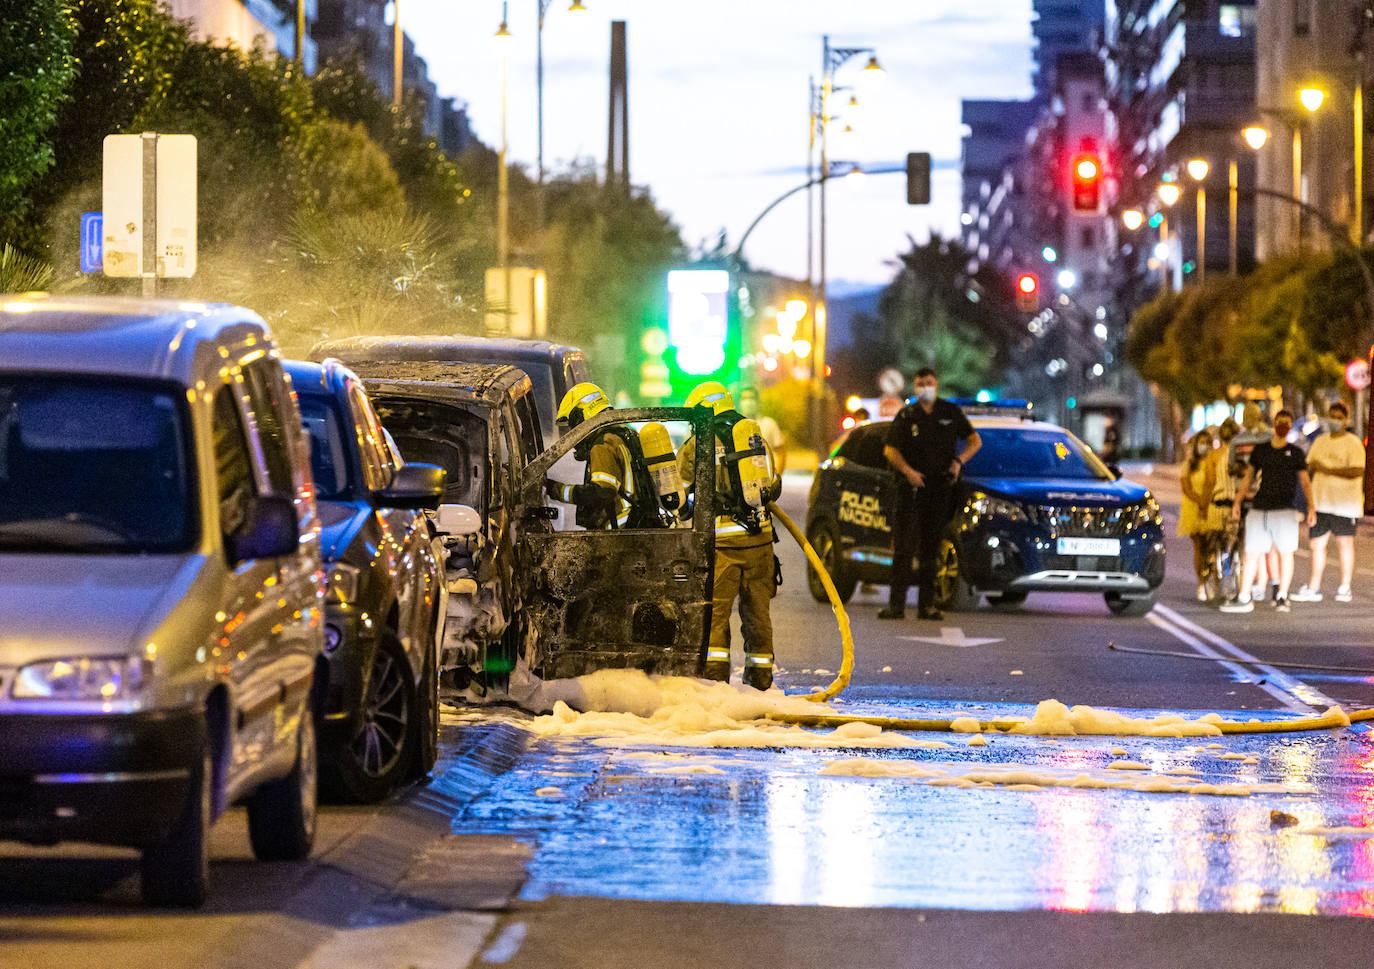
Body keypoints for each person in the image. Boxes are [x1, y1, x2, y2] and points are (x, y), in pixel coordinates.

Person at [679, 381, 782, 689]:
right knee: (758, 615)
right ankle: (761, 681)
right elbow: (770, 481)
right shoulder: (753, 434)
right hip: (761, 539)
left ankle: (715, 684)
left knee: (715, 615)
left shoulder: (697, 443)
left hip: (723, 544)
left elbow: (678, 494)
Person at [878, 367, 981, 621]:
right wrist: (908, 471)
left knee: (931, 549)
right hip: (911, 489)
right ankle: (896, 606)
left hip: (939, 490)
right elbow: (890, 450)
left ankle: (927, 606)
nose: (926, 386)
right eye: (921, 383)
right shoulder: (907, 415)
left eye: (929, 382)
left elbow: (975, 440)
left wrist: (959, 462)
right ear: (915, 387)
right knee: (903, 549)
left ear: (936, 384)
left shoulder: (949, 412)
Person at [1220, 409, 1314, 613]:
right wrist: (1237, 501)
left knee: (1285, 553)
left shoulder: (1296, 453)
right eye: (1280, 421)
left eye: (1287, 422)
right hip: (1260, 508)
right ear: (1274, 423)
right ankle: (1244, 597)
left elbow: (1305, 482)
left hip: (1285, 510)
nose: (1283, 425)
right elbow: (1248, 478)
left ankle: (1282, 595)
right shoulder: (1261, 450)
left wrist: (1311, 507)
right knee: (1251, 553)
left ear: (1290, 426)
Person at [545, 382, 657, 529]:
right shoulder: (621, 435)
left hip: (620, 536)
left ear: (582, 416)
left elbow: (601, 493)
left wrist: (554, 489)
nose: (573, 431)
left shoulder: (603, 444)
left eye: (573, 424)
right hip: (636, 528)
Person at [1292, 400, 1364, 603]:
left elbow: (1358, 470)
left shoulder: (1353, 442)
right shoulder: (1321, 441)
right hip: (1321, 502)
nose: (1335, 421)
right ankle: (1314, 587)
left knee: (1344, 544)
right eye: (1332, 416)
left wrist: (1328, 469)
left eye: (1339, 418)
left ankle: (1344, 587)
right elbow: (1310, 466)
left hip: (1345, 505)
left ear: (1345, 420)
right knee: (1316, 544)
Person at [1178, 430, 1221, 601]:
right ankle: (1202, 583)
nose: (1204, 445)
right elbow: (1186, 488)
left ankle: (1217, 581)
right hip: (1193, 508)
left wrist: (1207, 501)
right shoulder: (1189, 465)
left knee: (1214, 546)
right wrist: (1200, 501)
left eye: (1207, 442)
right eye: (1201, 442)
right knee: (1199, 548)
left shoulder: (1215, 462)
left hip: (1212, 508)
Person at [737, 386, 787, 473]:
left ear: (758, 402)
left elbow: (780, 453)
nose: (748, 402)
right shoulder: (734, 427)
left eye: (751, 398)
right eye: (745, 398)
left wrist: (777, 477)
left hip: (765, 478)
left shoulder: (769, 424)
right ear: (739, 402)